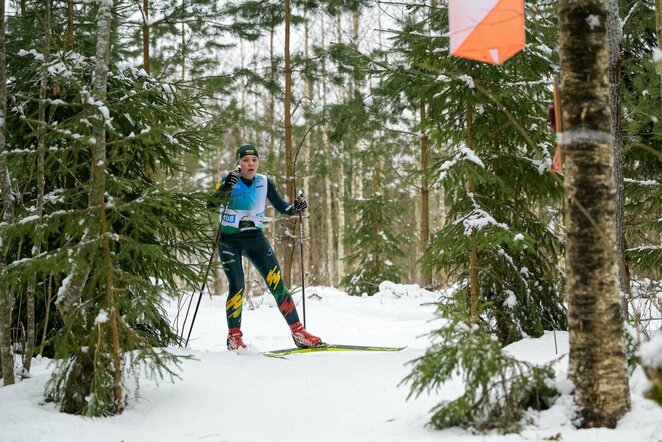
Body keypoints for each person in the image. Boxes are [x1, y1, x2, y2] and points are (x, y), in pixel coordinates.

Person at [209, 144, 323, 351]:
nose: (250, 164)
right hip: (229, 240)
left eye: (254, 160)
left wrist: (295, 208)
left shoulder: (264, 182)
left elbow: (282, 207)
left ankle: (298, 332)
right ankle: (234, 337)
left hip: (255, 238)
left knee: (277, 283)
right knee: (237, 286)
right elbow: (210, 203)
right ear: (239, 163)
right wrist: (226, 188)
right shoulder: (229, 180)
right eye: (245, 160)